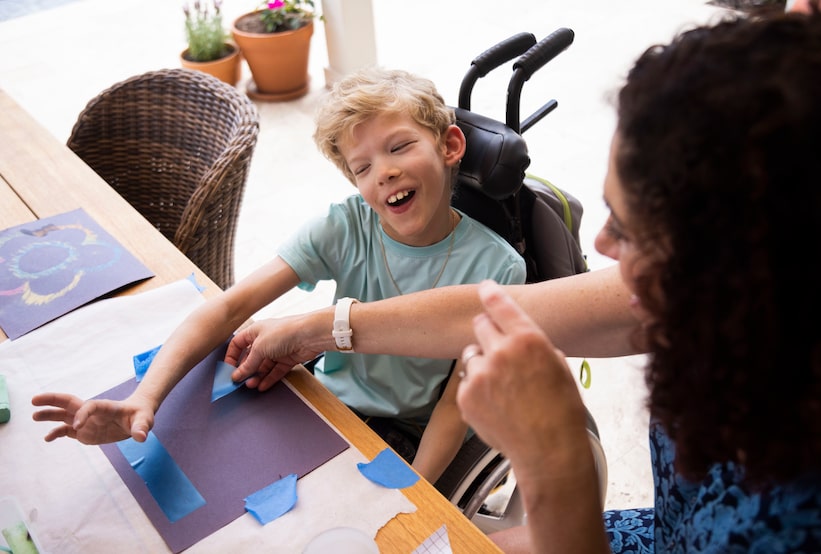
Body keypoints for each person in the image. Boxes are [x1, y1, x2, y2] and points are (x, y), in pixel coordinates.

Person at [133, 8, 821, 553]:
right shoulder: (741, 318)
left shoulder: (789, 521)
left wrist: (555, 460)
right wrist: (325, 325)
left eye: (629, 227)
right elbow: (484, 311)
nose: (600, 246)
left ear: (741, 255)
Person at [31, 67, 526, 484]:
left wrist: (417, 491)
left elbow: (456, 405)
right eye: (362, 167)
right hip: (327, 404)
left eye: (399, 147)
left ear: (450, 145)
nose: (384, 173)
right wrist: (145, 397)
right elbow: (228, 307)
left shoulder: (499, 269)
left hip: (407, 434)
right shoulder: (346, 225)